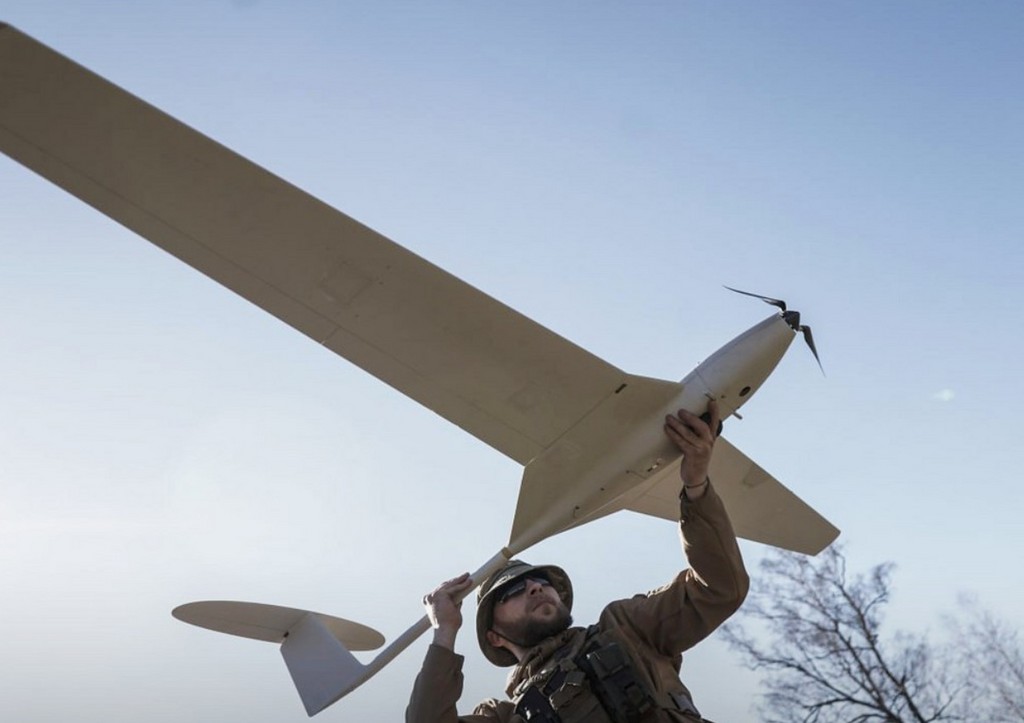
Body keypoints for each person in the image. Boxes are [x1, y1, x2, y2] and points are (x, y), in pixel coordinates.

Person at [407, 401, 748, 722]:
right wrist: (444, 632)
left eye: (542, 582)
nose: (535, 586)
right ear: (494, 636)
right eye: (511, 591)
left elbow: (719, 589)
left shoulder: (627, 628)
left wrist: (696, 485)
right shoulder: (506, 717)